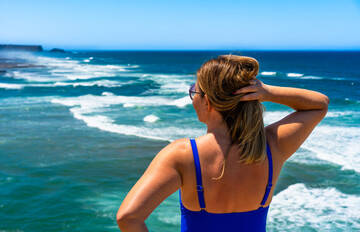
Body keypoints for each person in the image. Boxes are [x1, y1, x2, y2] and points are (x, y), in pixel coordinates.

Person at [116, 55, 329, 232]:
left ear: (207, 101)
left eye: (194, 92)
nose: (193, 98)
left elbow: (128, 217)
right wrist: (267, 93)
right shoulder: (273, 146)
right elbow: (319, 105)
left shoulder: (182, 154)